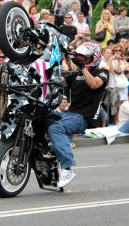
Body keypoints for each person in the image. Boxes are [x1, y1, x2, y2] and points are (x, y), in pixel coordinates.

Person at [47, 42, 108, 188]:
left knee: (56, 128)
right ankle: (48, 151)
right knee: (41, 117)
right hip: (69, 114)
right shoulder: (76, 75)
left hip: (83, 118)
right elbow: (55, 81)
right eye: (81, 58)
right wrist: (62, 57)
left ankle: (67, 168)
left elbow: (93, 84)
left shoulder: (102, 72)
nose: (83, 61)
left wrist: (82, 67)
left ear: (94, 58)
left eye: (85, 58)